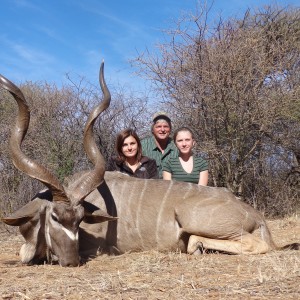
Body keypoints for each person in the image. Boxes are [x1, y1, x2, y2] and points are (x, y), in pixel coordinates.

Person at [141, 112, 178, 178]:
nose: (162, 129)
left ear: (170, 129)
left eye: (166, 126)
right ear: (153, 129)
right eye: (158, 126)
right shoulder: (142, 146)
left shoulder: (177, 146)